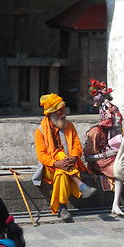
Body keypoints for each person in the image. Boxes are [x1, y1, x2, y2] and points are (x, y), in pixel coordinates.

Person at [34, 93, 97, 221]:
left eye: (64, 109)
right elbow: (42, 156)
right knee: (60, 156)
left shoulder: (69, 126)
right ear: (51, 113)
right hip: (50, 168)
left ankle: (61, 208)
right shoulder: (40, 131)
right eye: (60, 110)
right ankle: (80, 185)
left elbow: (77, 146)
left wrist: (73, 157)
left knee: (61, 174)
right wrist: (56, 163)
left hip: (68, 165)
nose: (64, 113)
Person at [83, 79, 124, 216]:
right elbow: (88, 157)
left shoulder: (116, 131)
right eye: (115, 118)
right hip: (101, 161)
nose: (118, 121)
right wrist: (105, 155)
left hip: (114, 157)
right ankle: (116, 204)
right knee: (118, 170)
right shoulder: (95, 132)